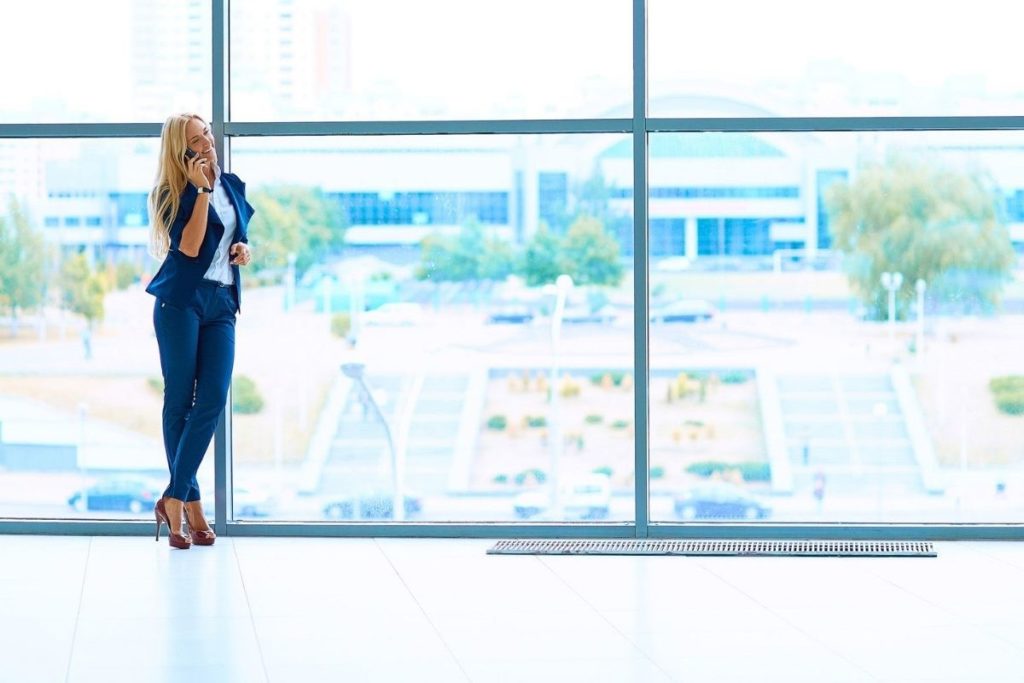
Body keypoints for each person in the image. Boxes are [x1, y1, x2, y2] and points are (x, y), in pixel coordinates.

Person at [145, 113, 254, 549]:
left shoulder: (233, 184)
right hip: (181, 303)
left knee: (212, 397)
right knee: (180, 401)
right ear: (181, 150)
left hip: (222, 302)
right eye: (197, 138)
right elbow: (189, 247)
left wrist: (243, 249)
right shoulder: (170, 193)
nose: (208, 141)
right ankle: (191, 506)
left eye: (208, 131)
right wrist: (201, 190)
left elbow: (234, 237)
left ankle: (174, 497)